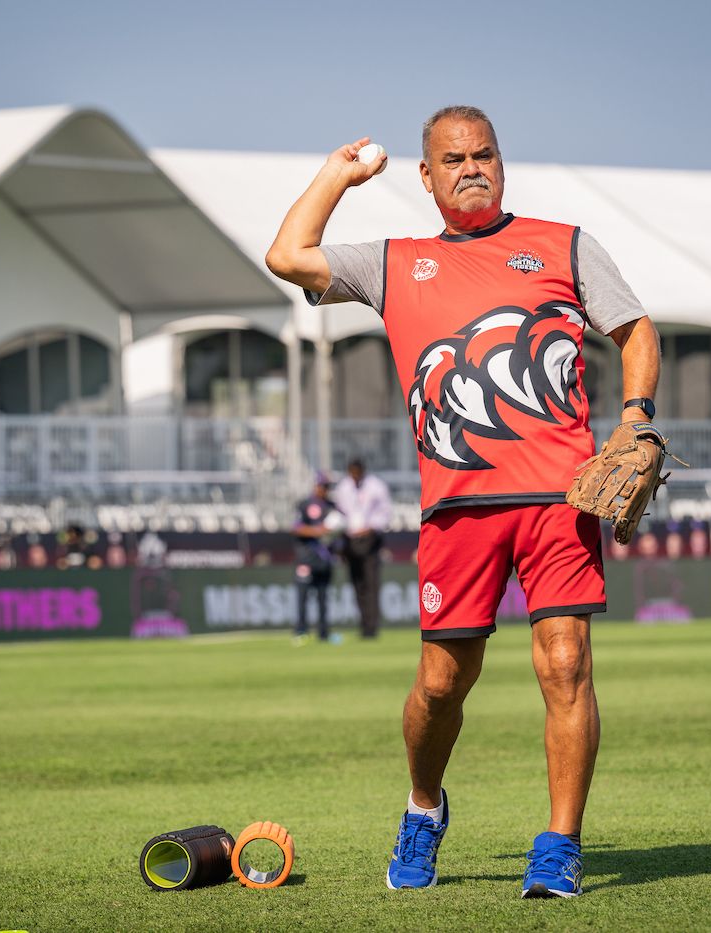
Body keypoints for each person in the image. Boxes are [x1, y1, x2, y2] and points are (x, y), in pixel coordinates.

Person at [266, 105, 662, 898]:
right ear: (427, 175)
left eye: (485, 154)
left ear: (502, 162)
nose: (472, 167)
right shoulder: (394, 262)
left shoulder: (565, 244)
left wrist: (635, 415)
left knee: (566, 665)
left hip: (559, 501)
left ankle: (559, 844)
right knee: (442, 684)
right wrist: (338, 175)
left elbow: (636, 329)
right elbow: (287, 254)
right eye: (453, 159)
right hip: (457, 510)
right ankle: (423, 807)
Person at [333, 459, 392, 638]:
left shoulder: (376, 486)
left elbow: (385, 512)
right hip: (350, 539)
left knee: (371, 584)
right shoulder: (343, 487)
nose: (355, 477)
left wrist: (370, 528)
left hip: (370, 538)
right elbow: (339, 512)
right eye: (352, 474)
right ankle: (363, 624)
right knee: (357, 584)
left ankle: (372, 626)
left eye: (357, 473)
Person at [292, 471, 341, 643]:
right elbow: (297, 528)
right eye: (322, 486)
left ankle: (324, 633)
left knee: (323, 598)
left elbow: (339, 529)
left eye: (327, 486)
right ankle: (300, 631)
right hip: (306, 558)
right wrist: (319, 531)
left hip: (325, 559)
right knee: (303, 597)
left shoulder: (332, 506)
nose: (324, 490)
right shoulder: (305, 504)